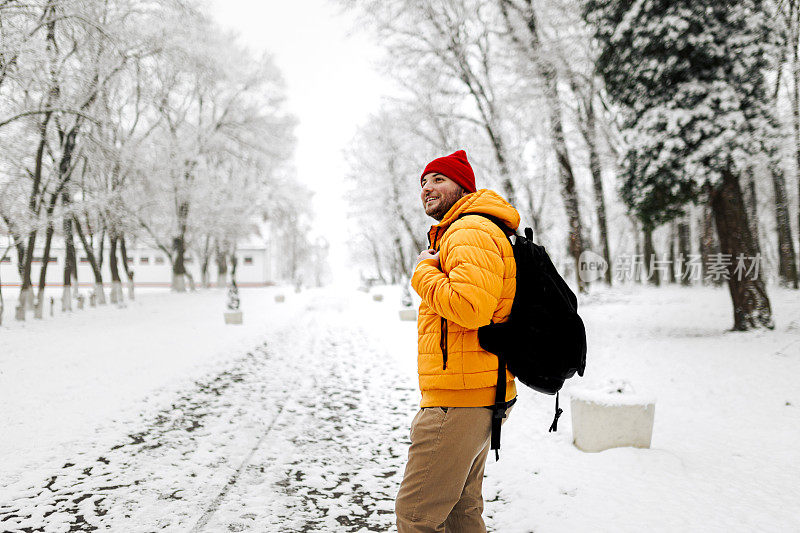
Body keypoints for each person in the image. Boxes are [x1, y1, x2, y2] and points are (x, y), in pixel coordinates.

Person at [395, 149, 519, 532]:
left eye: (438, 180)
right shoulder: (467, 229)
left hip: (460, 402)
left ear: (462, 186)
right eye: (424, 182)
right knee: (461, 514)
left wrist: (422, 272)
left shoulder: (468, 230)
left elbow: (469, 307)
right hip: (476, 392)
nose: (427, 188)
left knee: (415, 517)